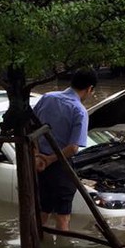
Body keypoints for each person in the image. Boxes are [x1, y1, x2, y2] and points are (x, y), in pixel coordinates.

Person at [33, 67, 98, 230]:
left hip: (37, 164)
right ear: (90, 89)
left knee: (42, 210)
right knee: (62, 217)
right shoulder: (79, 111)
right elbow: (73, 148)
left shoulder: (47, 98)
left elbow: (31, 128)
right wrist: (48, 160)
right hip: (60, 167)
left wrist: (37, 156)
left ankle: (37, 247)